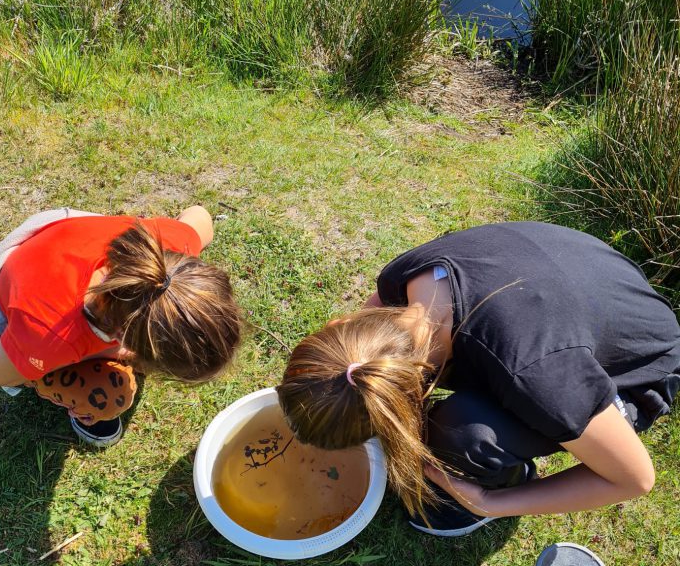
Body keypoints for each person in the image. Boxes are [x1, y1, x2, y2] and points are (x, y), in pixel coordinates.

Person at [277, 221, 680, 537]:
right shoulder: (409, 279)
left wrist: (489, 500)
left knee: (461, 437)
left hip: (641, 367)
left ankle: (506, 478)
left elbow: (635, 479)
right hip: (584, 278)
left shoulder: (538, 376)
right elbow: (368, 325)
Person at [0, 206, 241, 447]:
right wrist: (36, 366)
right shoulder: (52, 338)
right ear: (124, 342)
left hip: (70, 230)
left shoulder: (166, 256)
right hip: (1, 288)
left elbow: (201, 216)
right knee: (109, 394)